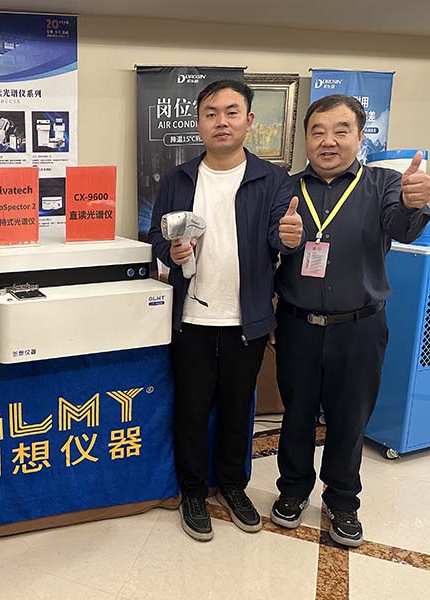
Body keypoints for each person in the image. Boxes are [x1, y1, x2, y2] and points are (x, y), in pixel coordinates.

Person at [271, 94, 430, 547]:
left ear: (360, 137)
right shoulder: (286, 188)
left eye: (341, 131)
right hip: (298, 325)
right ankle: (292, 490)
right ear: (306, 139)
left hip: (360, 327)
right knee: (296, 415)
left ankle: (343, 501)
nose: (328, 141)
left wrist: (415, 204)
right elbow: (268, 247)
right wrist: (282, 241)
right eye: (318, 131)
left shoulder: (383, 184)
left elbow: (400, 227)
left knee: (350, 418)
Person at [148, 79, 304, 541]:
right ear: (198, 122)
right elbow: (156, 235)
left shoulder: (272, 179)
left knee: (239, 410)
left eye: (232, 112)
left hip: (246, 320)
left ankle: (233, 487)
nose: (222, 121)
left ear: (249, 121)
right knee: (191, 410)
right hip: (190, 320)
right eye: (211, 113)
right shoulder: (178, 178)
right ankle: (194, 492)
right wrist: (170, 250)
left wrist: (289, 238)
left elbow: (278, 237)